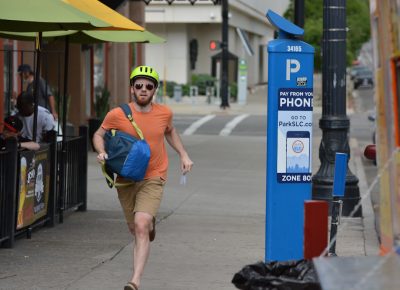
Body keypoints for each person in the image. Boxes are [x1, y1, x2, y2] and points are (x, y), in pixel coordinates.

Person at [92, 65, 193, 290]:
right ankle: (149, 223)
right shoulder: (117, 114)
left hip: (154, 176)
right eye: (139, 85)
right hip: (126, 178)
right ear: (132, 89)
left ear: (154, 90)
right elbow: (99, 134)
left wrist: (184, 155)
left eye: (149, 86)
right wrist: (101, 151)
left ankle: (135, 281)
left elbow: (170, 131)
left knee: (140, 224)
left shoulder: (164, 113)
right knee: (135, 228)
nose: (144, 89)